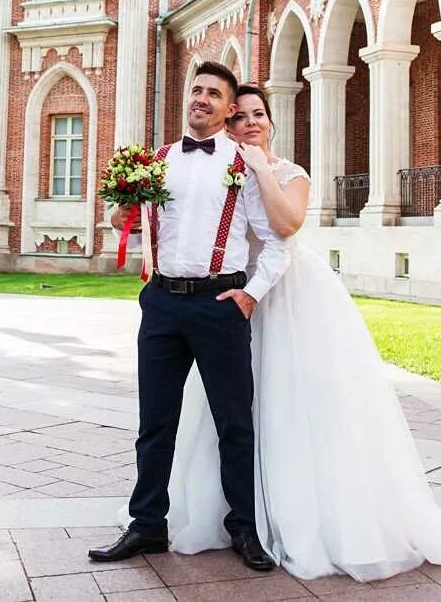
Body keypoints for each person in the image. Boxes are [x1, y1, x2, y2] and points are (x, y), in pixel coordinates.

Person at [165, 84, 441, 581]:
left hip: (286, 296)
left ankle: (297, 515)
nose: (251, 123)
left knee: (293, 402)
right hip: (225, 296)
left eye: (259, 115)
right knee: (229, 410)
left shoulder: (289, 174)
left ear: (270, 123)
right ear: (226, 124)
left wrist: (259, 169)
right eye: (240, 117)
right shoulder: (213, 170)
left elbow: (287, 227)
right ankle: (233, 514)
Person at [89, 62, 289, 573]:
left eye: (213, 94)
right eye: (196, 90)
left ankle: (244, 527)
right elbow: (132, 229)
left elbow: (275, 242)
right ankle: (147, 524)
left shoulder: (245, 165)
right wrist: (122, 218)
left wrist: (251, 295)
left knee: (234, 422)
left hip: (220, 306)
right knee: (155, 422)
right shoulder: (154, 161)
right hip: (161, 304)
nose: (201, 99)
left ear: (227, 110)